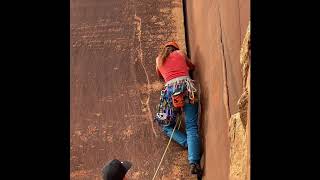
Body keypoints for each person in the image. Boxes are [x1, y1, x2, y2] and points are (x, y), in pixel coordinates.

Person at [154, 41, 202, 175]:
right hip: (187, 88)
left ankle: (189, 144)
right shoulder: (180, 54)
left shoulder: (159, 60)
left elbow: (159, 75)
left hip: (170, 93)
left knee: (165, 125)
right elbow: (191, 66)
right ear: (175, 48)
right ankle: (193, 160)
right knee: (191, 126)